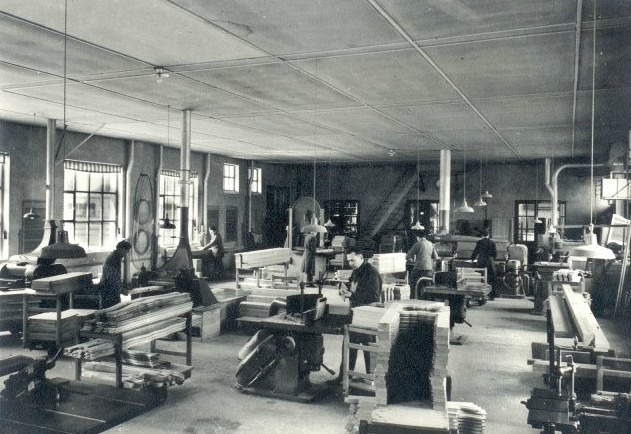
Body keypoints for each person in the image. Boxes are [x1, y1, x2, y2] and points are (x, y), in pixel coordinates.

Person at [330, 246, 382, 384]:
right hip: (354, 314)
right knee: (349, 345)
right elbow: (352, 285)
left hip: (367, 317)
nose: (350, 263)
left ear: (361, 257)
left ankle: (370, 378)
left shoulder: (371, 273)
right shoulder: (356, 271)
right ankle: (345, 376)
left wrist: (352, 295)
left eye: (353, 260)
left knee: (368, 347)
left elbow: (374, 297)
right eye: (348, 261)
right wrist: (344, 289)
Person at [97, 240, 132, 308]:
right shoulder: (113, 259)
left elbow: (116, 277)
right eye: (126, 251)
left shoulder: (116, 258)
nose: (127, 253)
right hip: (108, 291)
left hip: (112, 290)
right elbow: (112, 278)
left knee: (116, 308)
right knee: (112, 310)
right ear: (121, 249)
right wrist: (121, 290)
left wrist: (121, 287)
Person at [406, 230, 439, 299]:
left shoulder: (418, 244)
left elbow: (408, 255)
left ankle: (413, 299)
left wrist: (410, 258)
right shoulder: (431, 244)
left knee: (412, 283)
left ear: (417, 237)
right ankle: (425, 299)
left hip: (419, 269)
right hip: (429, 270)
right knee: (427, 286)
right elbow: (436, 257)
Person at [471, 228, 497, 299]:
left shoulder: (479, 242)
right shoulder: (492, 242)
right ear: (488, 235)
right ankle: (492, 296)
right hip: (490, 261)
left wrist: (472, 259)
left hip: (481, 261)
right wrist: (492, 259)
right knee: (491, 278)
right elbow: (495, 254)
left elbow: (475, 251)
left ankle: (481, 295)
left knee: (481, 278)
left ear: (482, 235)